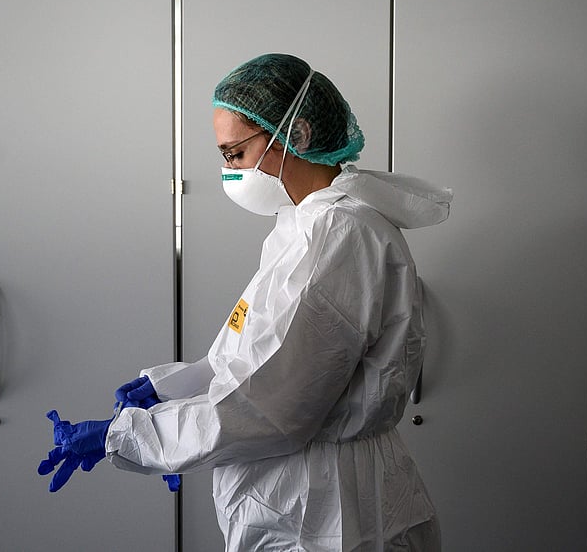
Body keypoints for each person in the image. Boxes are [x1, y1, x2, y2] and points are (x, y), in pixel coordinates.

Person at [40, 53, 451, 551]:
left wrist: (127, 436)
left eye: (235, 153)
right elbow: (259, 355)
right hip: (307, 499)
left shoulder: (340, 234)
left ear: (295, 135)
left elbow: (270, 407)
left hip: (327, 512)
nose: (228, 171)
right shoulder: (302, 227)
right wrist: (168, 388)